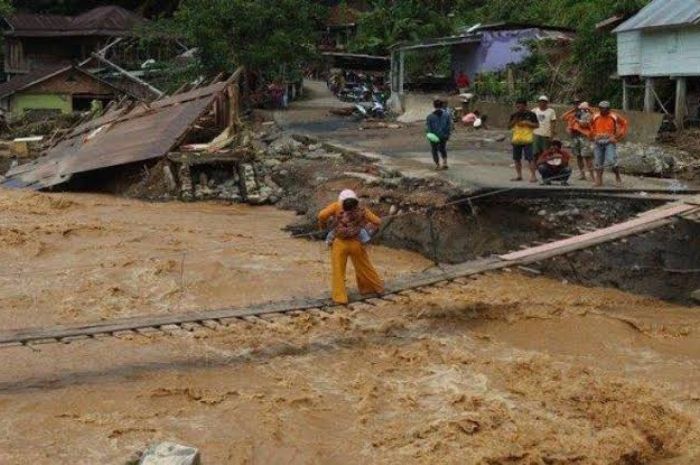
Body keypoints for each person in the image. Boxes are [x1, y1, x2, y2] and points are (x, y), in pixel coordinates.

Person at [318, 189, 384, 305]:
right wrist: (368, 231)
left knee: (338, 271)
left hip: (340, 243)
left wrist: (323, 226)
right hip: (356, 242)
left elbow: (322, 215)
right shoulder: (362, 209)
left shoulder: (336, 207)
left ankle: (340, 298)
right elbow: (377, 221)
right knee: (364, 266)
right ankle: (372, 288)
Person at [590, 101, 628, 187]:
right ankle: (599, 180)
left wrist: (617, 136)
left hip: (609, 141)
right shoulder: (595, 116)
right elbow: (589, 126)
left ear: (609, 109)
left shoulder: (614, 116)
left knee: (612, 161)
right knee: (598, 162)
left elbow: (624, 123)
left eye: (606, 109)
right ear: (599, 109)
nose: (604, 110)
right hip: (598, 141)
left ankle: (618, 177)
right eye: (602, 109)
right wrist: (593, 135)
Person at [562, 100, 595, 181]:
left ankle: (592, 176)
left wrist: (577, 120)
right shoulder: (573, 114)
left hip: (584, 137)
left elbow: (586, 124)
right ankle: (582, 174)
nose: (576, 105)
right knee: (578, 156)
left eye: (577, 104)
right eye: (574, 104)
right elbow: (563, 117)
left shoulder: (588, 114)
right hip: (575, 137)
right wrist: (573, 111)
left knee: (587, 157)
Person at [509, 98, 540, 182]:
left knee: (530, 158)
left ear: (525, 106)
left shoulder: (531, 114)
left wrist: (527, 123)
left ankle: (533, 176)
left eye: (520, 106)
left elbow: (537, 125)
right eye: (517, 106)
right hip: (516, 139)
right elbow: (509, 127)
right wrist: (514, 121)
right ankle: (519, 175)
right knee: (516, 158)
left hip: (527, 139)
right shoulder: (514, 115)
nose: (519, 108)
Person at [426, 98, 452, 170]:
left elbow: (429, 128)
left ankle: (437, 165)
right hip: (444, 135)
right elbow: (449, 126)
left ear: (434, 106)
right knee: (442, 148)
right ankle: (445, 163)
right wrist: (448, 135)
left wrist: (429, 136)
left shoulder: (430, 117)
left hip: (434, 136)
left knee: (434, 150)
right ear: (441, 105)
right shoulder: (447, 115)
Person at [533, 95, 557, 159]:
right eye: (541, 102)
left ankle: (544, 166)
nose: (542, 103)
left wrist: (552, 135)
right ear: (538, 102)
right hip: (536, 134)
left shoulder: (551, 111)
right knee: (535, 152)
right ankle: (536, 166)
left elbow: (553, 122)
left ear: (547, 103)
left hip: (546, 135)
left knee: (545, 152)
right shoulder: (534, 110)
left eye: (544, 102)